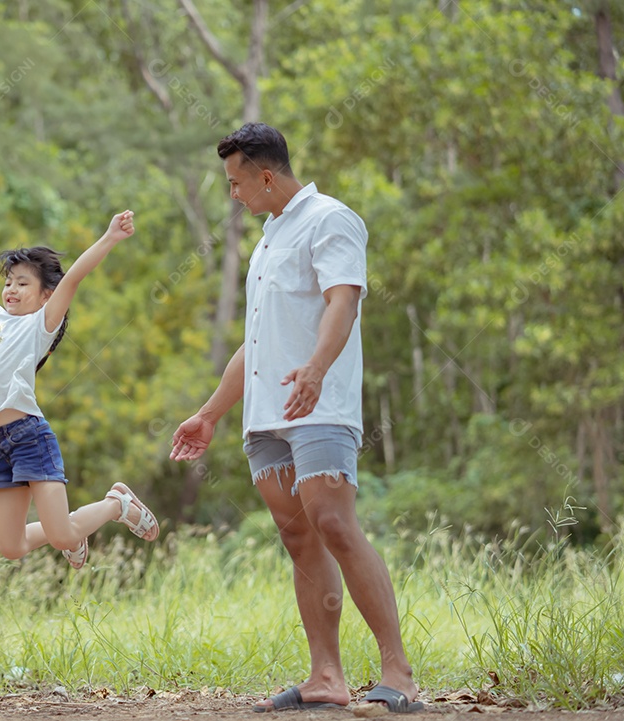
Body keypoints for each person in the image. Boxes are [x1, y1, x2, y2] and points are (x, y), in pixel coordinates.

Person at [170, 124, 423, 714]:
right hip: (265, 415)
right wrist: (209, 413)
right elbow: (256, 340)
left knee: (334, 522)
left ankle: (399, 673)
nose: (233, 194)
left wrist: (315, 369)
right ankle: (326, 678)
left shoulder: (330, 219)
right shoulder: (267, 239)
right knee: (298, 537)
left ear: (265, 176)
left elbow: (344, 300)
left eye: (236, 183)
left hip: (319, 405)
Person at [0, 210, 158, 570]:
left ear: (45, 296)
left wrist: (110, 237)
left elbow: (73, 278)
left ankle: (116, 505)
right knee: (11, 547)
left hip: (29, 438)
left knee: (63, 537)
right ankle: (72, 528)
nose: (11, 290)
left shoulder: (40, 325)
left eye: (22, 284)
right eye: (8, 283)